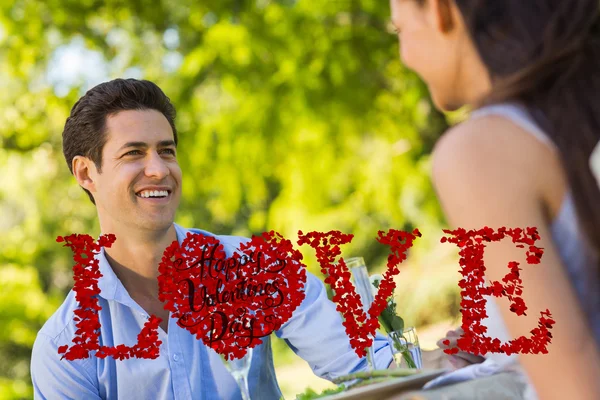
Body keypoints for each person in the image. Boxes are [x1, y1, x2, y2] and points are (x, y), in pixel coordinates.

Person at [30, 78, 393, 400]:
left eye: (167, 151)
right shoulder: (63, 347)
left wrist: (439, 361)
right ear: (85, 172)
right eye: (134, 153)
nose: (159, 169)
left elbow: (366, 365)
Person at [387, 0, 600, 399]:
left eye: (399, 31)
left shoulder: (479, 150)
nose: (404, 57)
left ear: (439, 11)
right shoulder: (578, 110)